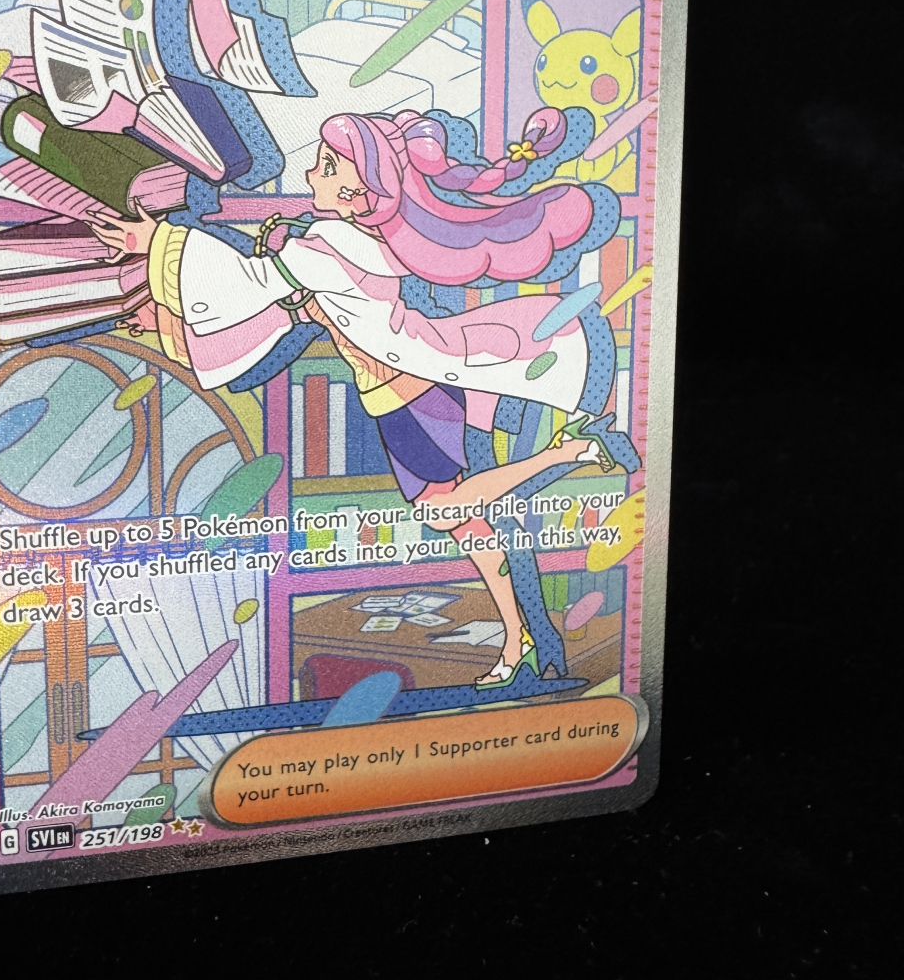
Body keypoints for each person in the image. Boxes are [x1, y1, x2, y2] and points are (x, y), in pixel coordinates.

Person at [92, 108, 623, 689]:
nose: (311, 174)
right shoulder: (345, 242)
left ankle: (573, 453)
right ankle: (518, 639)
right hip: (399, 394)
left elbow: (248, 283)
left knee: (446, 513)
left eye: (326, 166)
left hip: (414, 394)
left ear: (358, 192)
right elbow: (286, 307)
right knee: (467, 525)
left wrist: (158, 241)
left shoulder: (332, 246)